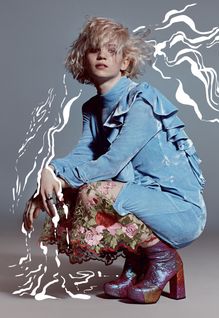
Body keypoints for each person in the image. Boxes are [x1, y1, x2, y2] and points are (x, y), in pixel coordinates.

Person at [23, 17, 207, 304]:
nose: (102, 55)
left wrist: (57, 177)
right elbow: (84, 154)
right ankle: (137, 262)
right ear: (82, 58)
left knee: (93, 191)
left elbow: (111, 164)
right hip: (140, 197)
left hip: (179, 210)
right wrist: (49, 174)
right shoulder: (93, 107)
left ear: (124, 62)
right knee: (75, 190)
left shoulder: (141, 102)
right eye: (95, 49)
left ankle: (163, 260)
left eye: (112, 50)